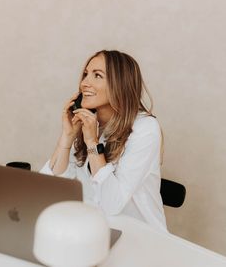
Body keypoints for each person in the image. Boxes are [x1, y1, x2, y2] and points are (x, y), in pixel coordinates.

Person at [40, 50, 167, 232]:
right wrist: (66, 138)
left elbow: (111, 203)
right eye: (85, 74)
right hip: (96, 230)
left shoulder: (146, 129)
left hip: (140, 237)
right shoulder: (91, 123)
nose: (84, 83)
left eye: (97, 75)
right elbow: (49, 188)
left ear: (120, 85)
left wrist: (92, 142)